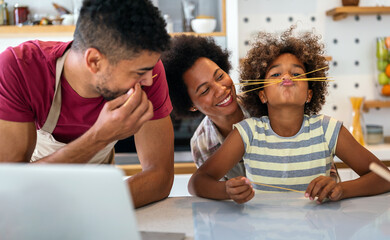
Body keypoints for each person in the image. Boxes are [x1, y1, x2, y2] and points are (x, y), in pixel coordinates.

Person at [0, 0, 174, 208]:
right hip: (29, 206)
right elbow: (9, 186)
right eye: (139, 73)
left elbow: (160, 176)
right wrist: (100, 137)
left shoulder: (148, 69)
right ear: (94, 61)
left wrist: (88, 208)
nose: (149, 80)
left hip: (101, 198)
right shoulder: (19, 69)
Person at [188, 27, 390, 204]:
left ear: (310, 93)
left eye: (296, 74)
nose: (286, 77)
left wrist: (342, 189)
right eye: (275, 75)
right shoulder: (247, 132)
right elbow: (197, 182)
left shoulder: (328, 130)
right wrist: (226, 190)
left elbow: (384, 177)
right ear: (263, 94)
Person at [162, 35, 248, 180]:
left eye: (220, 76)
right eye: (205, 90)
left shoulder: (264, 107)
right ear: (190, 105)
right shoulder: (201, 145)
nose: (221, 90)